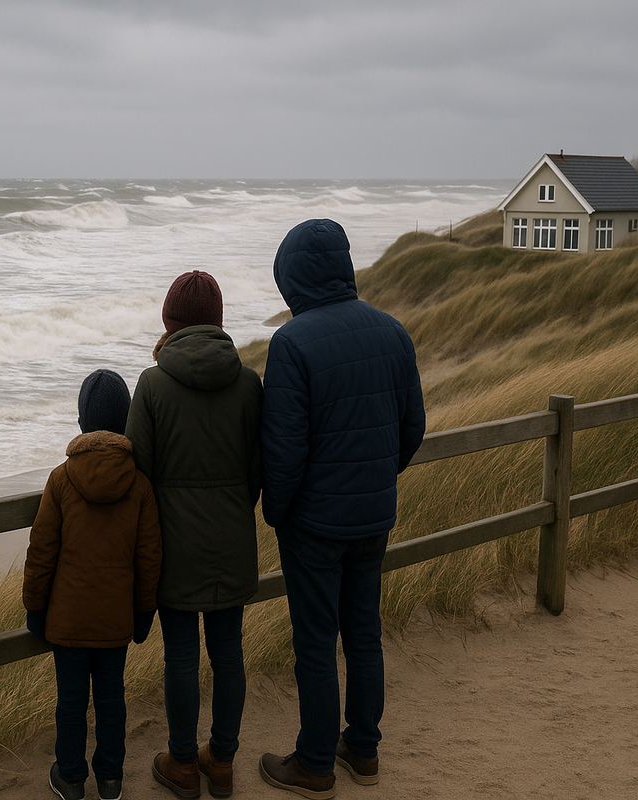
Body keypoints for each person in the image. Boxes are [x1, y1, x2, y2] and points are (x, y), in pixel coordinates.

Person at [258, 219, 425, 798]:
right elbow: (412, 429)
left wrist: (277, 512)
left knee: (314, 642)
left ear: (292, 276)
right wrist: (378, 477)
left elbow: (283, 453)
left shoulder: (292, 343)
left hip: (314, 524)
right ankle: (363, 749)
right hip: (373, 515)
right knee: (363, 633)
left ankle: (314, 763)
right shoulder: (393, 332)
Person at [125, 271, 263, 799]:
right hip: (232, 538)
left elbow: (138, 471)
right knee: (229, 653)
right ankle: (221, 761)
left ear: (170, 321)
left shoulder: (153, 384)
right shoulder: (249, 382)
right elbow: (259, 468)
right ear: (219, 320)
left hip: (174, 544)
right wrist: (232, 509)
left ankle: (182, 762)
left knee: (180, 656)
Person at [23, 368, 164, 800]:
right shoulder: (139, 484)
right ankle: (110, 777)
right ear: (125, 418)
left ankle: (70, 777)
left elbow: (42, 550)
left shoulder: (62, 479)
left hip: (67, 620)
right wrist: (143, 614)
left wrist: (35, 608)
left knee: (70, 703)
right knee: (111, 699)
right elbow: (149, 559)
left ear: (83, 419)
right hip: (115, 618)